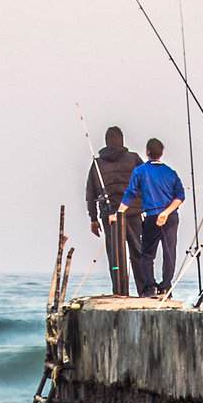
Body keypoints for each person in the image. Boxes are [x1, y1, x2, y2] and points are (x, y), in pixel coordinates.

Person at [118, 138, 184, 297]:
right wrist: (167, 212)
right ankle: (166, 287)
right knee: (169, 253)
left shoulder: (140, 171)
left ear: (147, 152)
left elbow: (130, 193)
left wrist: (119, 213)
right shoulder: (171, 172)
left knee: (147, 253)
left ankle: (151, 287)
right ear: (161, 153)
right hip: (171, 216)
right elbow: (180, 196)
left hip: (152, 216)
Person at [85, 126, 143, 296]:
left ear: (106, 141)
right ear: (122, 139)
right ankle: (144, 290)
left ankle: (119, 291)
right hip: (132, 212)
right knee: (138, 252)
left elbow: (90, 193)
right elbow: (145, 183)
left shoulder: (97, 164)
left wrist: (93, 218)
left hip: (108, 214)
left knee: (115, 256)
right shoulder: (133, 159)